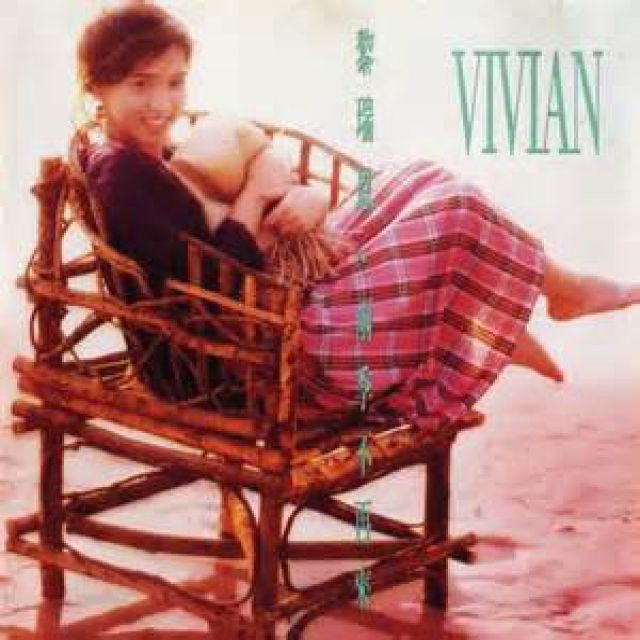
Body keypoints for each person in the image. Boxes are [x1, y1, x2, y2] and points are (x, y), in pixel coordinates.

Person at [76, 2, 640, 433]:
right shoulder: (122, 175)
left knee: (419, 175)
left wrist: (305, 197)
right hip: (266, 349)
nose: (162, 104)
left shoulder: (150, 155)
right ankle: (538, 301)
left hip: (281, 291)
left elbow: (243, 190)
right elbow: (213, 283)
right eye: (140, 84)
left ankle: (530, 301)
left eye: (174, 82)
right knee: (455, 211)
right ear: (97, 86)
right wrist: (259, 192)